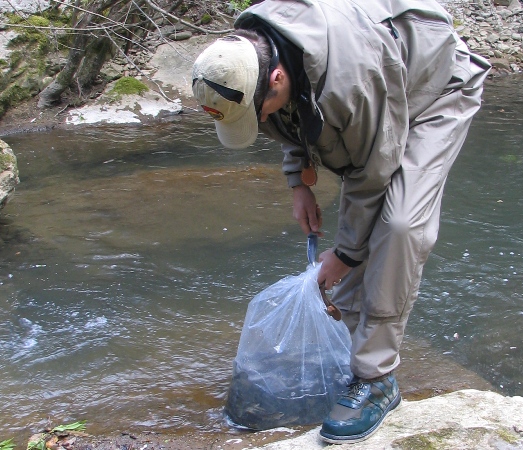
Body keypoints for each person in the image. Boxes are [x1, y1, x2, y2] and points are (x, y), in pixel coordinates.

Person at [191, 0, 490, 444]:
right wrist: (298, 182)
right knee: (361, 237)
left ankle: (376, 379)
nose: (264, 121)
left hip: (433, 91)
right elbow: (290, 114)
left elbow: (372, 174)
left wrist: (345, 254)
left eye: (261, 111)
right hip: (382, 89)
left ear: (275, 78)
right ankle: (348, 346)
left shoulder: (351, 80)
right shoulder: (250, 51)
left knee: (402, 224)